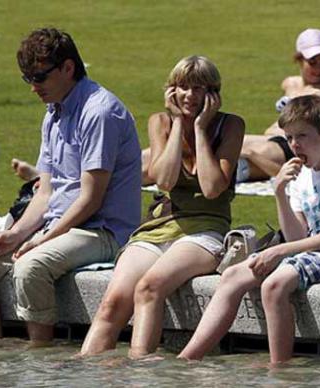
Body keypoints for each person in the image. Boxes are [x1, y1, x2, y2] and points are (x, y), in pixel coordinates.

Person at [0, 28, 142, 346]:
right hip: (61, 226)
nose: (33, 88)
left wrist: (43, 239)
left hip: (102, 231)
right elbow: (45, 192)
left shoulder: (99, 112)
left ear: (68, 68)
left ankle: (40, 361)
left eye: (39, 77)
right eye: (28, 79)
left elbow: (91, 200)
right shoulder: (53, 113)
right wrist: (16, 233)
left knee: (29, 268)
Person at [178, 95, 320, 363]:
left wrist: (279, 251)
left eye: (302, 136)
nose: (294, 145)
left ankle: (280, 370)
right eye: (288, 138)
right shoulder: (300, 172)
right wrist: (279, 193)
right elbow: (298, 235)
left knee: (274, 285)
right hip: (318, 249)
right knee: (232, 277)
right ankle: (188, 358)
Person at [79, 56, 245, 359]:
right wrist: (179, 123)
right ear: (172, 90)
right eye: (183, 87)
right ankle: (84, 370)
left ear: (213, 93)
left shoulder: (231, 125)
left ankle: (142, 370)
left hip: (205, 228)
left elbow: (211, 188)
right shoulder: (161, 122)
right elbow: (164, 181)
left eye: (199, 88)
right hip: (159, 226)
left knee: (149, 287)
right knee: (112, 302)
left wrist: (199, 129)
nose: (190, 96)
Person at [236, 28, 320, 182]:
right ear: (299, 59)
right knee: (236, 139)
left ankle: (229, 172)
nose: (319, 69)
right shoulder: (290, 83)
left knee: (247, 154)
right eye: (312, 63)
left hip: (295, 145)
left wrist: (296, 99)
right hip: (275, 138)